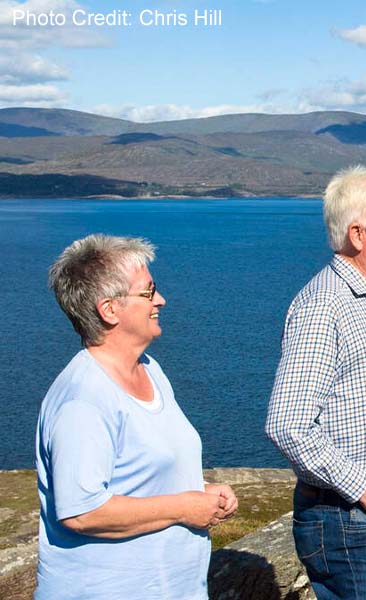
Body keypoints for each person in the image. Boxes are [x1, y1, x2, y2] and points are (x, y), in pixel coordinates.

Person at [37, 234, 237, 599]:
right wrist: (184, 507)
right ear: (109, 309)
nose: (160, 300)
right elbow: (82, 512)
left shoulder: (150, 370)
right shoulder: (83, 401)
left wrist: (200, 492)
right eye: (148, 292)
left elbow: (140, 478)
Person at [265, 164, 366, 600]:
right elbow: (288, 424)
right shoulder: (324, 307)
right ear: (359, 235)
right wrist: (365, 487)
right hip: (350, 520)